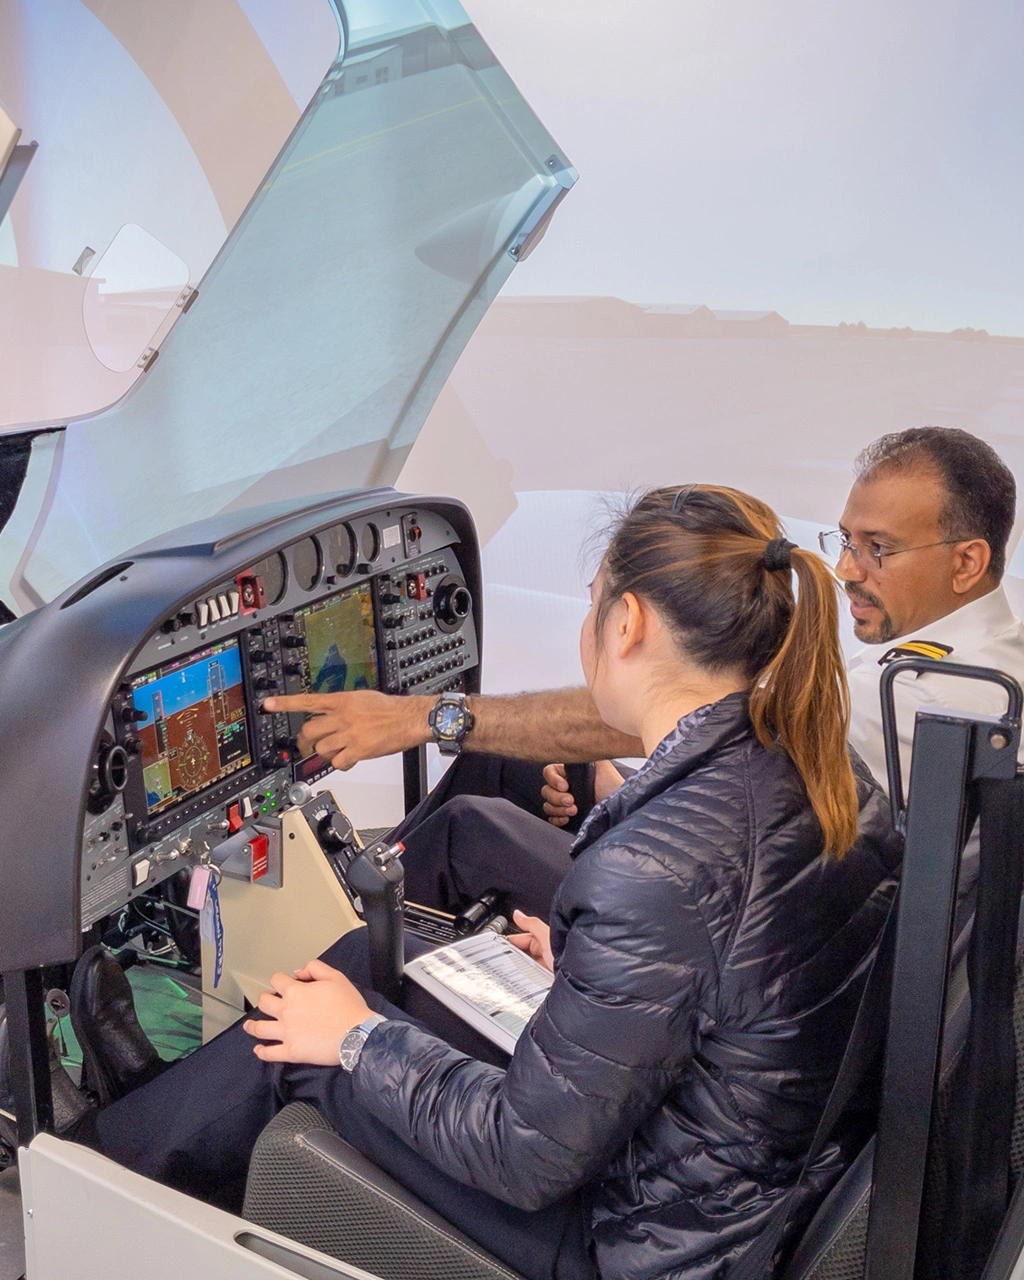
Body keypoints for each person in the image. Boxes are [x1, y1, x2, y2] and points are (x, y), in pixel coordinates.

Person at [73, 484, 899, 1280]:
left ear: (628, 622)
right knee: (363, 962)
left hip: (643, 1238)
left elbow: (523, 1154)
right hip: (737, 1180)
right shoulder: (822, 766)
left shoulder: (659, 868)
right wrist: (583, 980)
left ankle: (92, 1182)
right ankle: (163, 1107)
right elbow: (732, 983)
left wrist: (356, 1038)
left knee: (301, 1040)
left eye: (591, 602)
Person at [265, 426, 1021, 918]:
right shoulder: (956, 660)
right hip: (777, 891)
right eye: (846, 540)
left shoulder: (929, 698)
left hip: (745, 924)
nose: (848, 569)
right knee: (511, 764)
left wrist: (421, 716)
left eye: (878, 549)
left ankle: (328, 956)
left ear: (967, 562)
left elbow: (694, 711)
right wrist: (607, 785)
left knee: (468, 830)